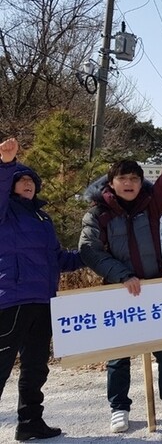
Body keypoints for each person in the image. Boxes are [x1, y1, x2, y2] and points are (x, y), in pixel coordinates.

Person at [79, 141, 162, 432]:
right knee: (118, 356)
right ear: (112, 183)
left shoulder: (150, 205)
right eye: (123, 179)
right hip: (119, 292)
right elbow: (89, 250)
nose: (129, 184)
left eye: (134, 178)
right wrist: (122, 276)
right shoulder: (98, 214)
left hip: (154, 289)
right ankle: (119, 407)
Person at [0, 138, 84, 441]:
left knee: (36, 367)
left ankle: (30, 422)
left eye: (30, 180)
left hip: (44, 300)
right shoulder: (5, 212)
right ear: (10, 185)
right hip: (12, 298)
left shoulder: (42, 217)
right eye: (20, 180)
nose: (27, 184)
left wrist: (88, 254)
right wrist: (7, 164)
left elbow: (57, 258)